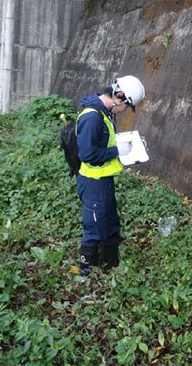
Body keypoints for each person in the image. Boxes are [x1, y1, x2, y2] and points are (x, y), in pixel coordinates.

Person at [75, 75, 145, 276]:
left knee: (110, 221)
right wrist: (117, 152)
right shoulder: (91, 117)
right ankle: (86, 272)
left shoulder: (104, 112)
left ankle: (110, 264)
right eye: (127, 106)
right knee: (94, 228)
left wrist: (130, 146)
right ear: (119, 96)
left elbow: (104, 143)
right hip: (92, 183)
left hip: (104, 179)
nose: (124, 111)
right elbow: (88, 155)